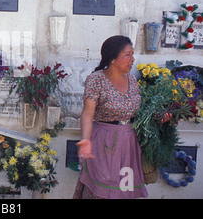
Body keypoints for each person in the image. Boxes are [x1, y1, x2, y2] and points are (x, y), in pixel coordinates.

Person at [72, 35, 171, 199]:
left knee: (124, 190)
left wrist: (158, 119)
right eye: (128, 54)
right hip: (104, 143)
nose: (133, 59)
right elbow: (88, 113)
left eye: (132, 54)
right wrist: (86, 139)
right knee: (101, 188)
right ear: (112, 58)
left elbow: (136, 114)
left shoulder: (132, 80)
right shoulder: (97, 80)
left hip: (129, 145)